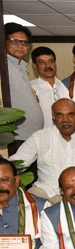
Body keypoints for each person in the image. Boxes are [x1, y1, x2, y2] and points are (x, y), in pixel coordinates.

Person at [10, 98, 75, 204]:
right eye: (60, 115)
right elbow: (17, 163)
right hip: (46, 193)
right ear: (53, 117)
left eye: (70, 114)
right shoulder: (39, 137)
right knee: (27, 204)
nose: (65, 119)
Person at [4, 23, 43, 152]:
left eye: (25, 43)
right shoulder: (4, 67)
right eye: (14, 41)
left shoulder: (21, 67)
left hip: (30, 137)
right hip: (16, 138)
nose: (20, 46)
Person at [30, 46, 69, 129]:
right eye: (42, 62)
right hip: (41, 135)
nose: (48, 65)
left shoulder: (66, 86)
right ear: (35, 66)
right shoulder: (30, 88)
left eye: (51, 61)